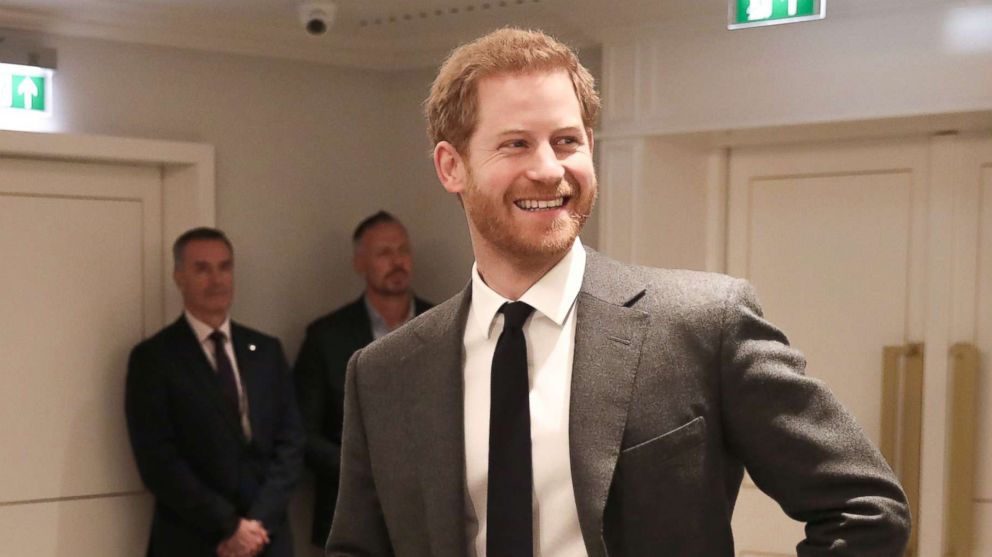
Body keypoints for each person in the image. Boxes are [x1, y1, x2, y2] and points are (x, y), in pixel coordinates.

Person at [327, 28, 911, 557]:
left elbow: (866, 511)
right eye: (515, 144)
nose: (550, 169)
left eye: (566, 141)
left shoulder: (704, 326)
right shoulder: (384, 373)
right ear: (451, 167)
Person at [125, 227, 304, 557]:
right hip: (193, 539)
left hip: (267, 538)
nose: (216, 280)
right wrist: (229, 527)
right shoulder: (154, 359)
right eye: (202, 269)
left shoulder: (265, 350)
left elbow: (290, 443)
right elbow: (158, 462)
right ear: (179, 276)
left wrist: (256, 525)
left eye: (224, 267)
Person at [294, 211, 433, 547]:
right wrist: (367, 472)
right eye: (384, 253)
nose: (397, 261)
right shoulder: (325, 337)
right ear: (359, 262)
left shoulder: (445, 325)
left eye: (403, 250)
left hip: (431, 516)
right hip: (350, 520)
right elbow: (302, 434)